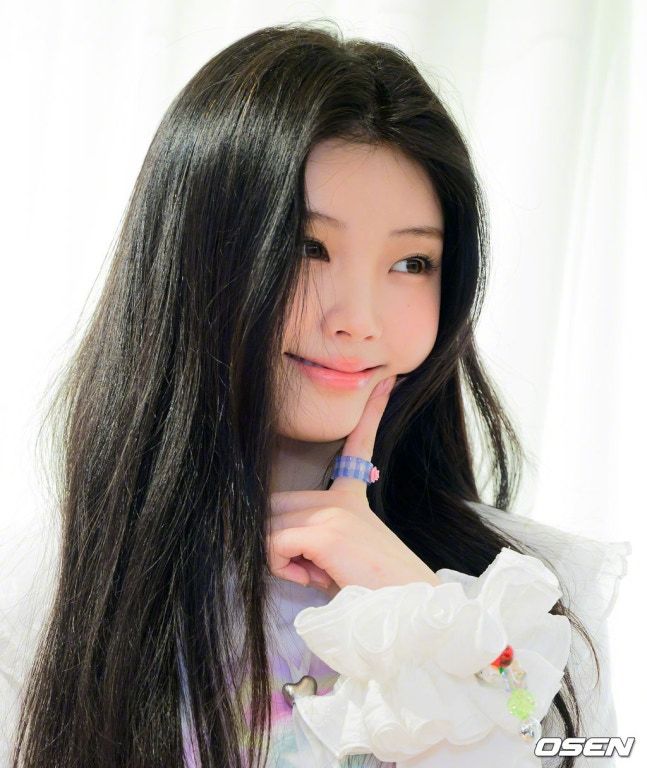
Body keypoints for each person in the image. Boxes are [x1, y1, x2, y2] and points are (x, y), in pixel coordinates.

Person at [0, 20, 630, 768]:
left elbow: (542, 731)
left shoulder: (513, 592)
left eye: (412, 262)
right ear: (194, 257)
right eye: (308, 247)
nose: (358, 320)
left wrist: (421, 606)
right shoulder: (59, 593)